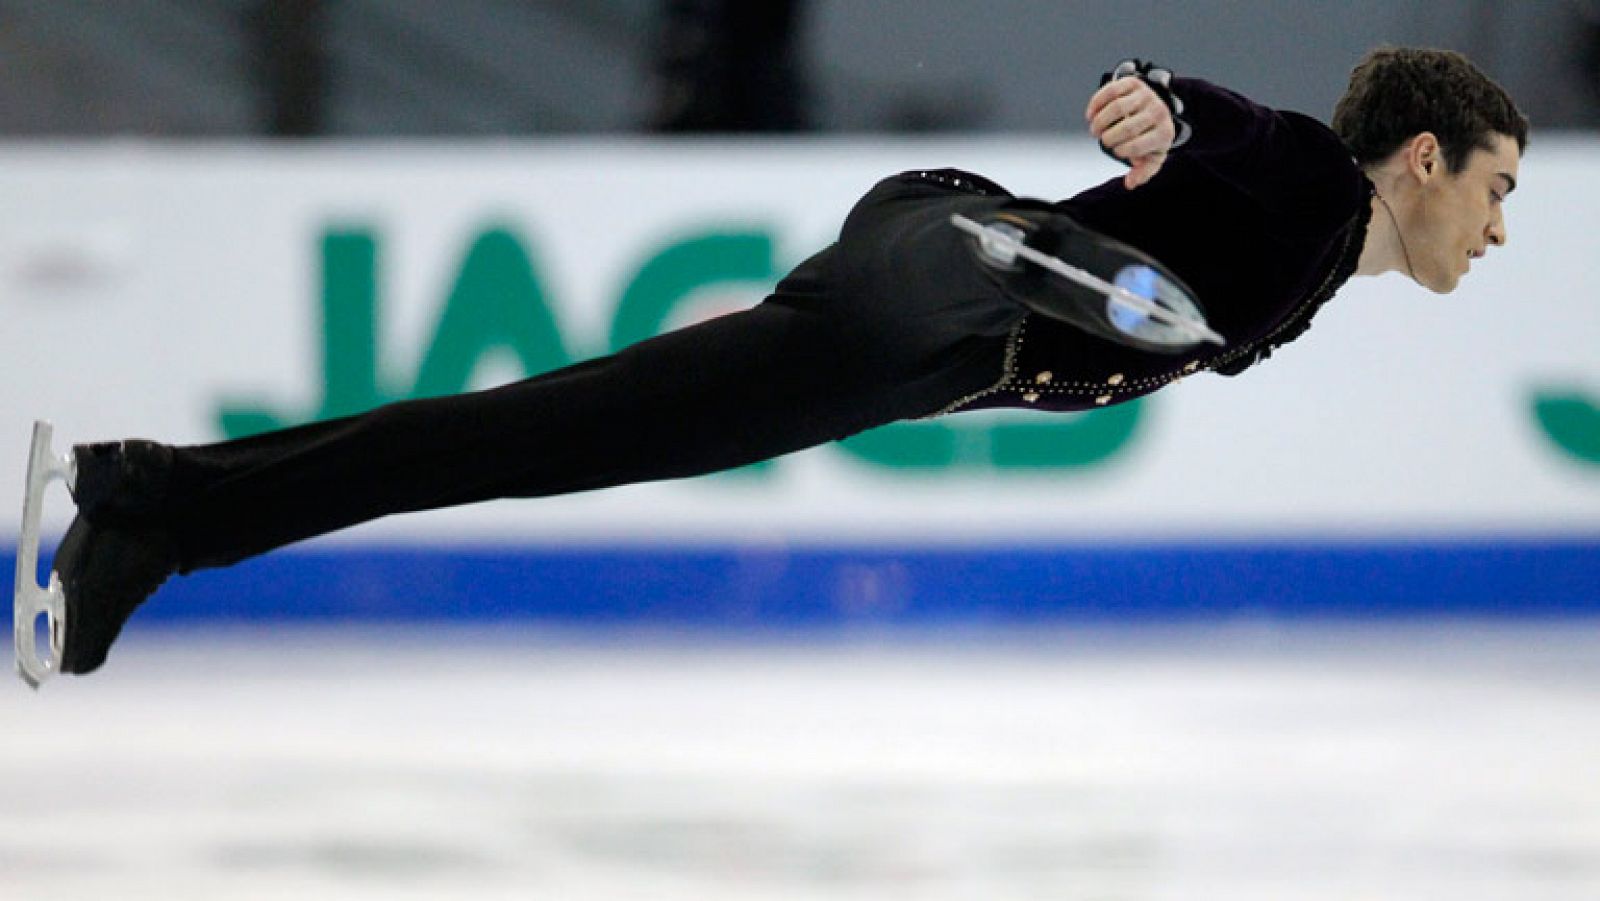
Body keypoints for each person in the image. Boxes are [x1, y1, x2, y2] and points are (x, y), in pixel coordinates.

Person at [38, 46, 1528, 676]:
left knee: (532, 438)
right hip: (950, 271)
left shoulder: (1323, 260)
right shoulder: (1319, 187)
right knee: (1009, 270)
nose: (1502, 223)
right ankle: (1036, 256)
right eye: (1498, 185)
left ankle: (158, 508)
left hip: (899, 335)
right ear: (1421, 156)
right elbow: (1226, 122)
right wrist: (1155, 104)